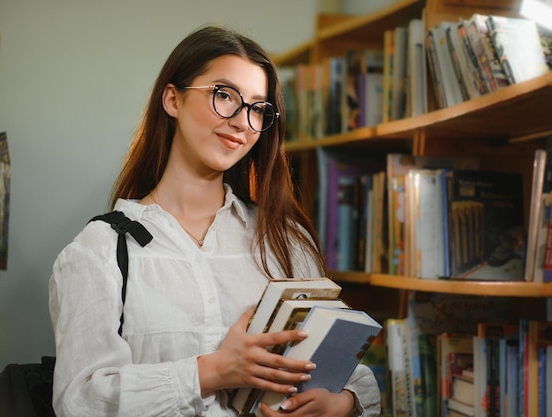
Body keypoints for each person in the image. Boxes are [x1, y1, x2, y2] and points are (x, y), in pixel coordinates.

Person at [49, 25, 381, 417]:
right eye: (224, 95)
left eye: (258, 108)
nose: (243, 122)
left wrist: (341, 403)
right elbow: (80, 401)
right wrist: (213, 371)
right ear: (172, 100)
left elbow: (347, 371)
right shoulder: (100, 251)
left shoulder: (285, 241)